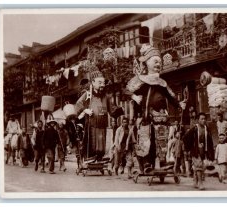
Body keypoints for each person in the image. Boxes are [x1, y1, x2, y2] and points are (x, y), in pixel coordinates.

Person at [126, 44, 186, 172]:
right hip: (145, 119)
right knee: (146, 142)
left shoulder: (162, 83)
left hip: (161, 118)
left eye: (160, 62)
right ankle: (147, 164)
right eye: (155, 61)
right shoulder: (140, 80)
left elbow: (171, 97)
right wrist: (134, 97)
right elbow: (126, 91)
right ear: (147, 63)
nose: (158, 64)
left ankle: (163, 163)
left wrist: (179, 104)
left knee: (162, 141)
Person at [76, 65, 124, 161]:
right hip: (91, 124)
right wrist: (86, 110)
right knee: (92, 143)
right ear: (93, 83)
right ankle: (90, 157)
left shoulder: (106, 97)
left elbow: (112, 110)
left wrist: (121, 109)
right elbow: (78, 104)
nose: (102, 85)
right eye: (100, 82)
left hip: (103, 125)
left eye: (103, 83)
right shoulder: (88, 94)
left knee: (101, 145)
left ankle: (99, 157)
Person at [183, 112, 214, 190]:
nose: (203, 120)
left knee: (201, 167)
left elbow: (210, 141)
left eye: (204, 119)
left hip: (204, 150)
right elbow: (185, 138)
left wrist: (210, 152)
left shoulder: (207, 129)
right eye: (202, 119)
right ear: (198, 120)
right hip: (195, 150)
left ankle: (195, 181)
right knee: (199, 166)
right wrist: (188, 148)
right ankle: (200, 183)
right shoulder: (194, 129)